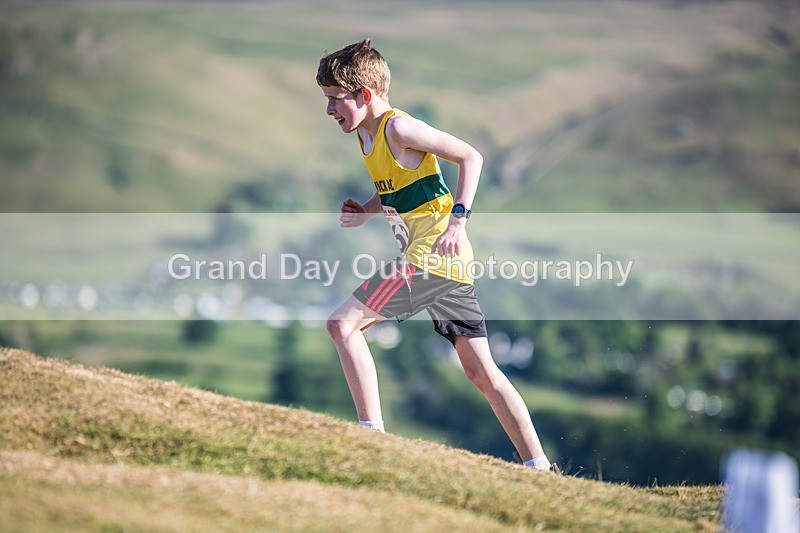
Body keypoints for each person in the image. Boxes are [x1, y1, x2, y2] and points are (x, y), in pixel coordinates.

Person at [317, 38, 554, 472]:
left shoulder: (397, 128)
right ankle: (540, 468)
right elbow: (399, 189)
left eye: (336, 100)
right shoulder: (367, 136)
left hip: (432, 257)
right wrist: (366, 211)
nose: (330, 110)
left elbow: (471, 156)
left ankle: (370, 438)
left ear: (365, 95)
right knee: (481, 373)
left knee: (341, 324)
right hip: (447, 263)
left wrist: (459, 220)